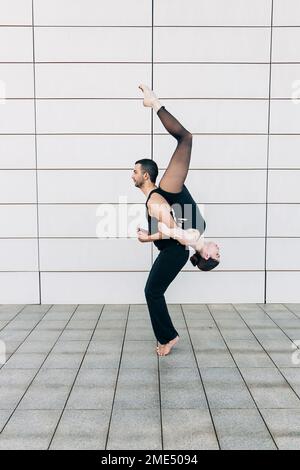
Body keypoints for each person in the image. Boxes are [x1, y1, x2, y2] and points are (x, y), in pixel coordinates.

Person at [132, 84, 220, 356]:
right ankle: (154, 103)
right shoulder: (197, 236)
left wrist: (149, 236)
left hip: (174, 196)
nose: (219, 248)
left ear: (206, 255)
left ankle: (168, 337)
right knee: (186, 139)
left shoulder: (195, 238)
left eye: (217, 253)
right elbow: (173, 227)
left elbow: (173, 232)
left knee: (186, 139)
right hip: (173, 195)